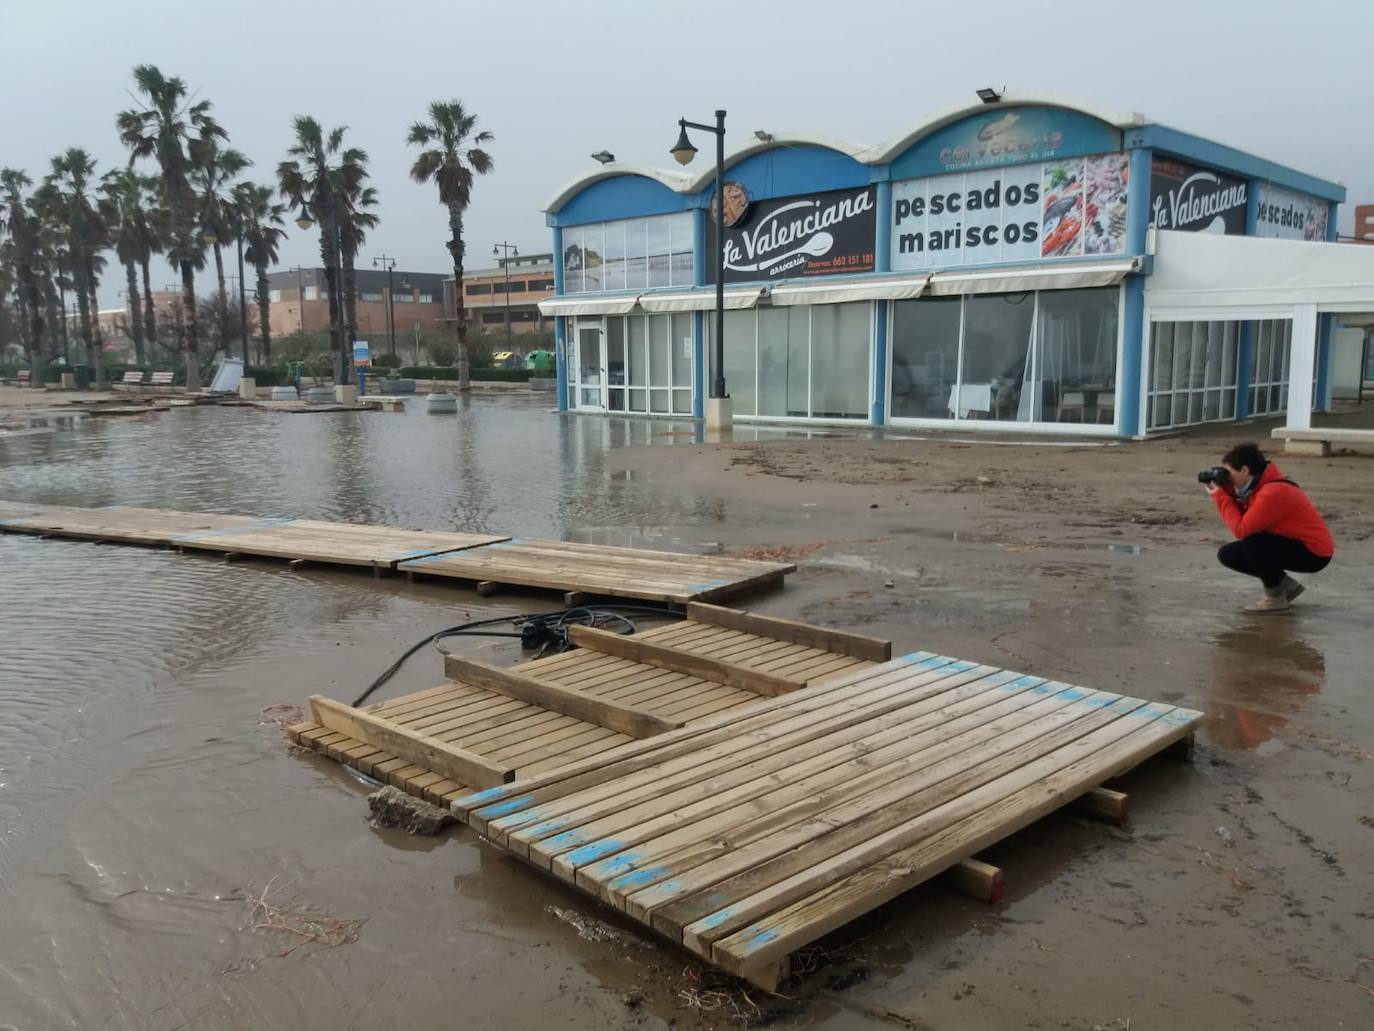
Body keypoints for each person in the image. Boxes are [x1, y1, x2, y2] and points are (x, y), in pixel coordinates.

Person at [1204, 442, 1334, 612]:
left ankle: (1275, 598)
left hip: (1315, 552)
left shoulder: (1273, 491)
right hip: (1295, 543)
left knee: (1253, 544)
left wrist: (1221, 497)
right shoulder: (1258, 486)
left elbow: (1241, 529)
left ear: (1244, 470)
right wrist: (1229, 492)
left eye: (1229, 473)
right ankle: (1286, 587)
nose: (1227, 477)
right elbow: (1247, 521)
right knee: (1228, 554)